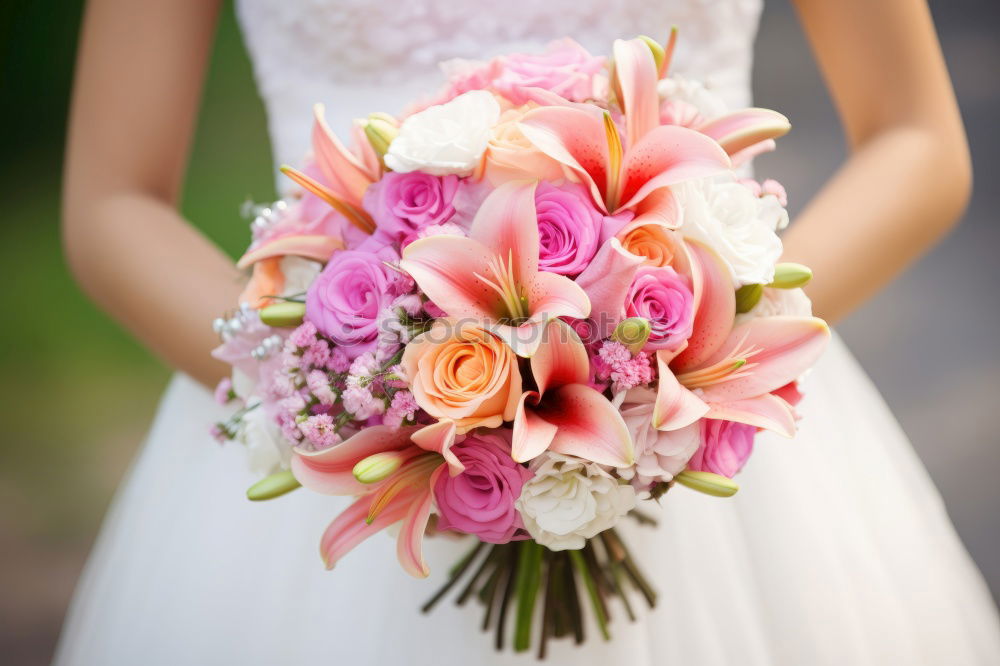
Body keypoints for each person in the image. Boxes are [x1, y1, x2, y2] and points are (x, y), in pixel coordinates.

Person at [55, 0, 1000, 664]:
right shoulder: (349, 395)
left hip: (715, 421)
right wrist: (344, 392)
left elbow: (916, 140)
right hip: (342, 428)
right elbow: (111, 202)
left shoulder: (695, 363)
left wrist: (703, 353)